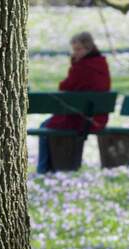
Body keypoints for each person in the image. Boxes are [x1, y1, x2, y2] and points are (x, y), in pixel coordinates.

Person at [37, 32, 110, 174]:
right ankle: (50, 168)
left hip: (80, 119)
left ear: (88, 48)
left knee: (45, 127)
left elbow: (64, 87)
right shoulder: (101, 64)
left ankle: (43, 168)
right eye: (74, 49)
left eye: (78, 49)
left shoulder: (82, 67)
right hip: (98, 118)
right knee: (48, 125)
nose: (75, 53)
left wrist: (74, 65)